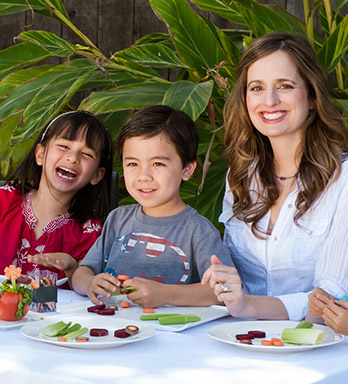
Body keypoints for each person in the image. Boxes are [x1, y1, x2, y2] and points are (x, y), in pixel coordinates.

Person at [201, 32, 348, 321]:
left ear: (313, 97)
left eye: (285, 86)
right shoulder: (242, 174)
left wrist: (248, 306)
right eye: (256, 88)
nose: (269, 100)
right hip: (238, 336)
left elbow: (328, 300)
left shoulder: (343, 180)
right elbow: (232, 277)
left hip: (316, 347)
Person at [72, 105, 233, 308]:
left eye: (157, 164)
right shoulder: (117, 219)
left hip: (171, 335)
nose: (143, 176)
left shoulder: (198, 231)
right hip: (114, 330)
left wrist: (165, 294)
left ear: (187, 169)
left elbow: (223, 290)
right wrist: (89, 283)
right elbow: (81, 271)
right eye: (132, 164)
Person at [0, 111, 113, 287]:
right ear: (40, 154)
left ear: (97, 175)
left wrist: (73, 267)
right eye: (64, 146)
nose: (73, 158)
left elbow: (88, 291)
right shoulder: (3, 201)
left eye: (87, 154)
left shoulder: (89, 234)